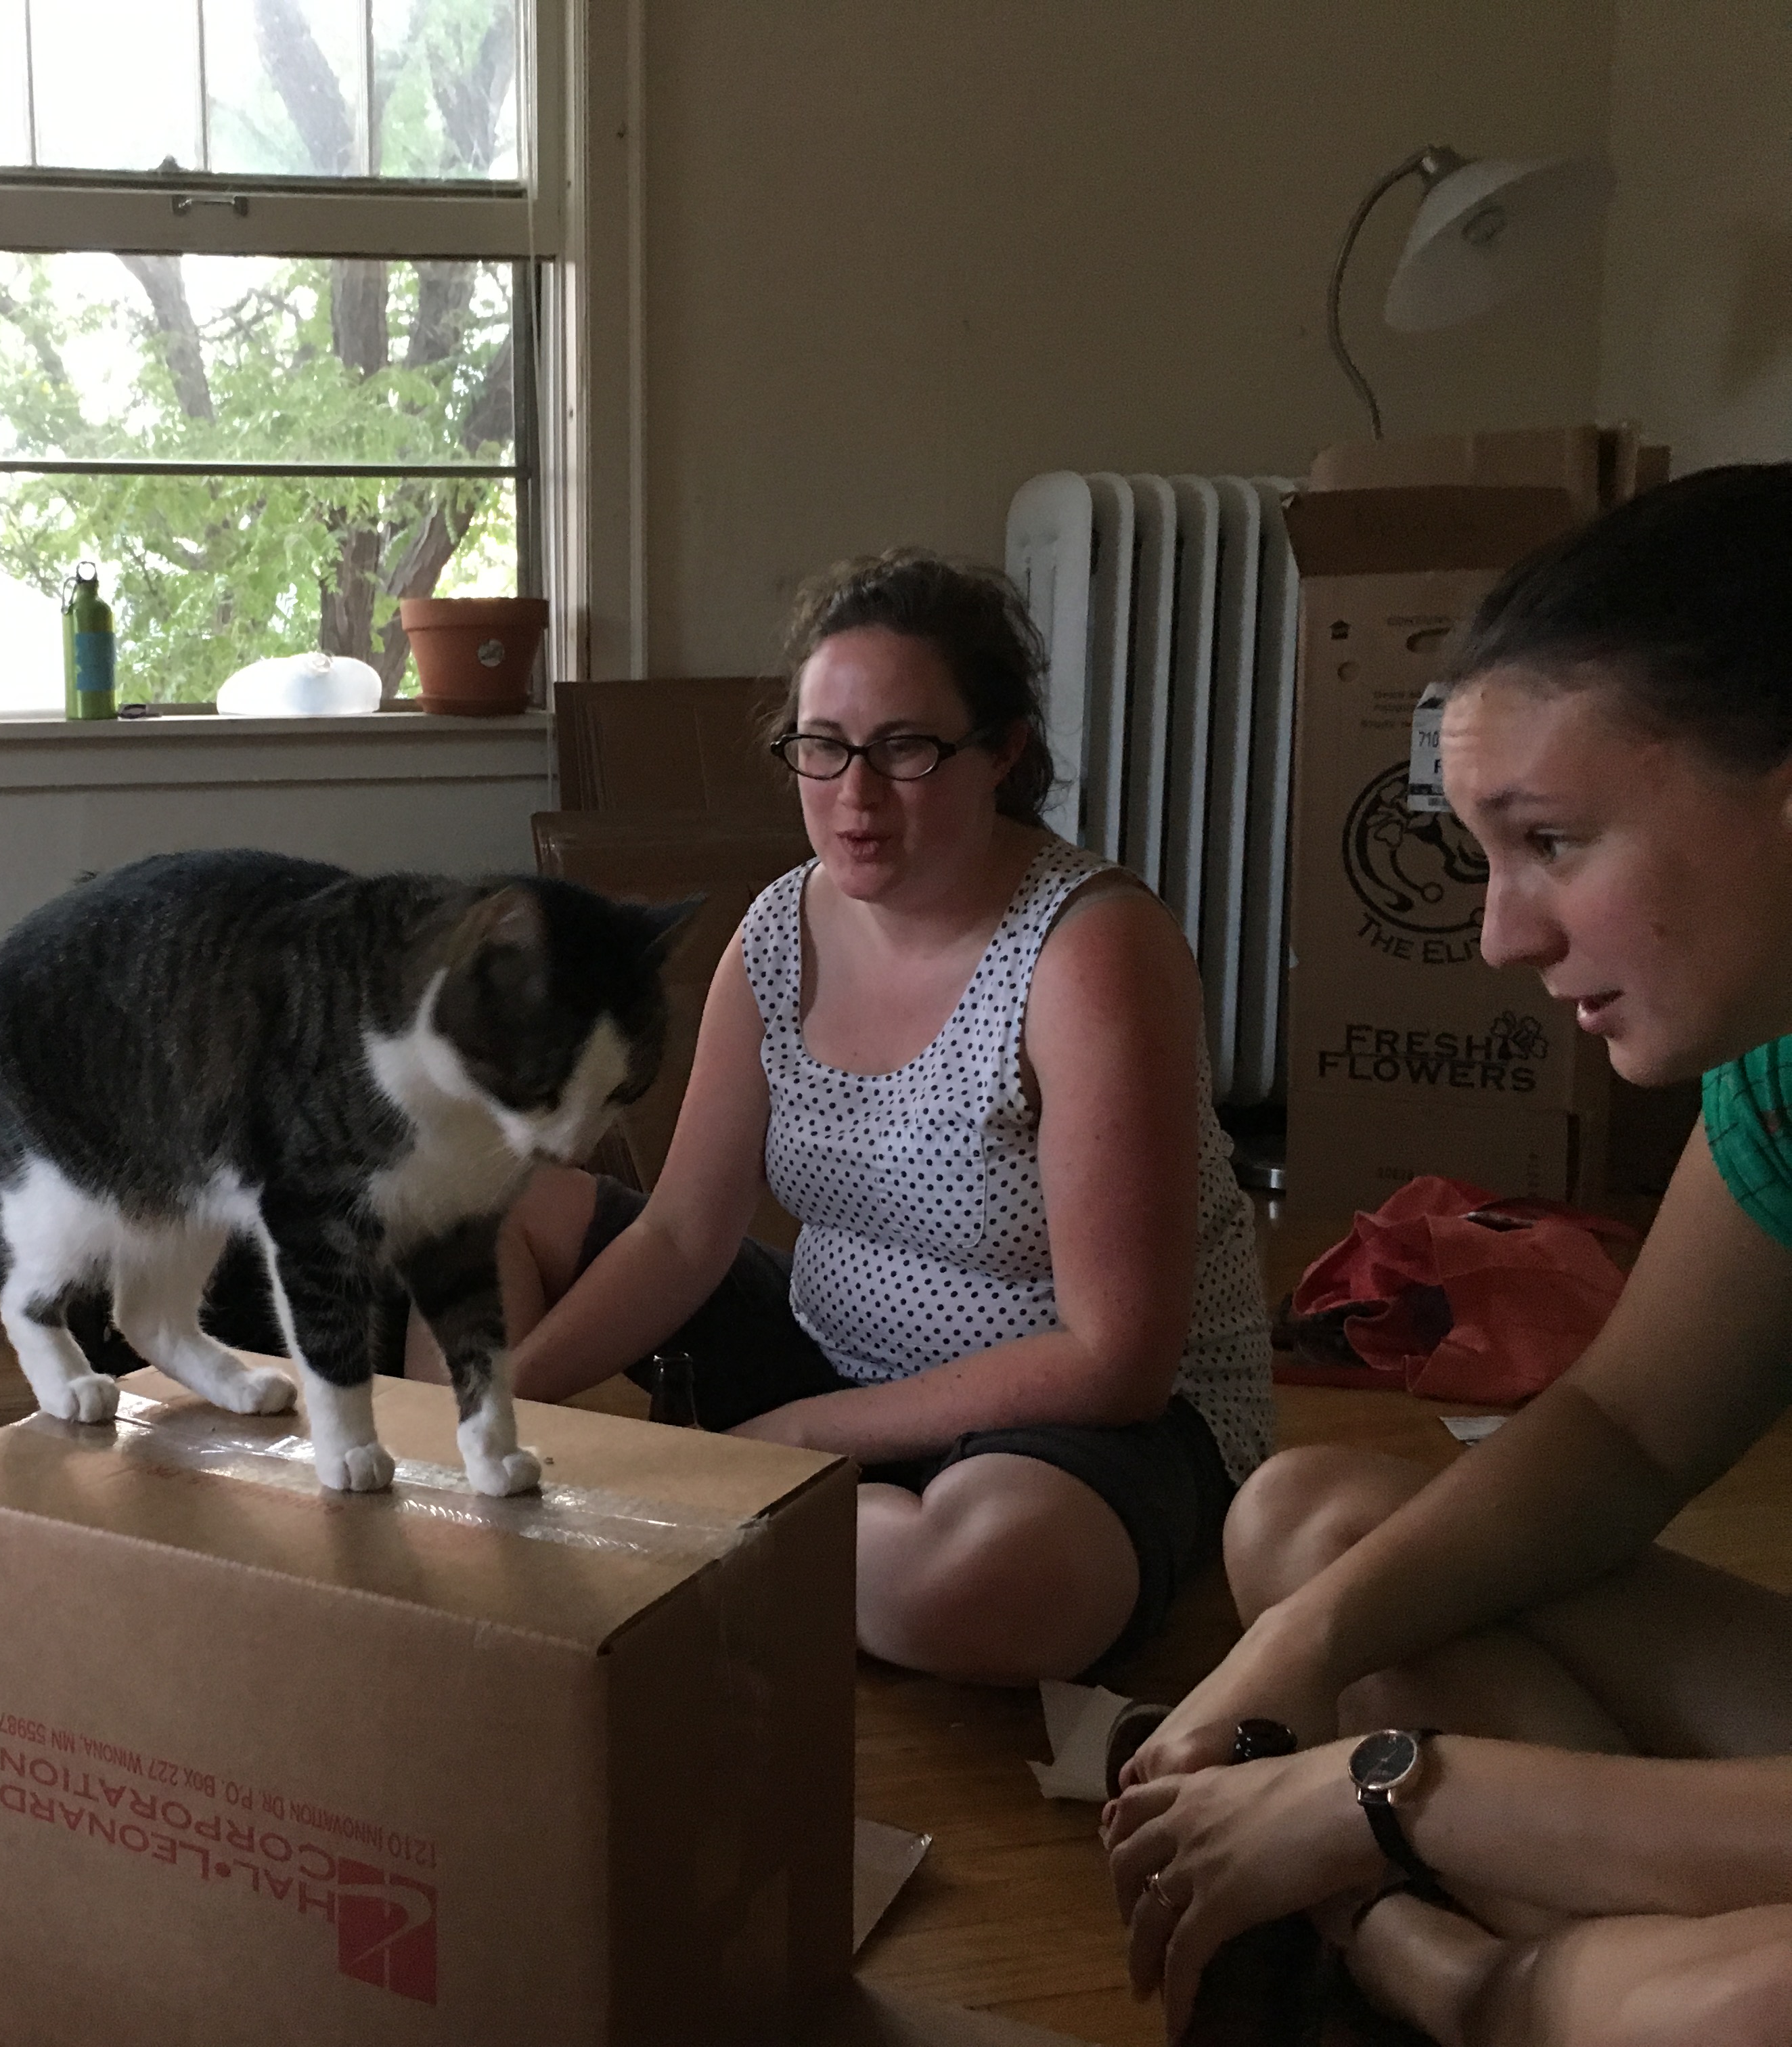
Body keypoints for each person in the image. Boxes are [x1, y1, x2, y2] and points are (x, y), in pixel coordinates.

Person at [1105, 464, 1792, 2045]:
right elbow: (1622, 1435)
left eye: (1550, 839)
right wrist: (1299, 1647)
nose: (1499, 935)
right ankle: (1602, 1992)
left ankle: (1469, 1979)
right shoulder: (1778, 1068)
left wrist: (1391, 1795)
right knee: (1318, 1527)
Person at [493, 550, 1274, 1683]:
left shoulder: (1090, 949)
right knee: (481, 1210)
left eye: (906, 749)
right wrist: (497, 1409)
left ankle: (668, 1511)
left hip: (1069, 1417)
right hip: (830, 1359)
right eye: (823, 748)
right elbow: (682, 1235)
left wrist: (796, 1440)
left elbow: (1119, 1361)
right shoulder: (777, 931)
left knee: (983, 1588)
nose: (853, 797)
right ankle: (522, 1481)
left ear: (1002, 752)